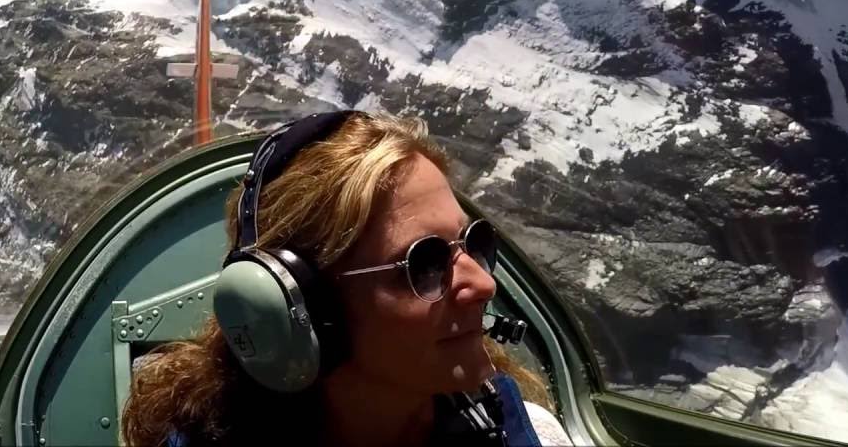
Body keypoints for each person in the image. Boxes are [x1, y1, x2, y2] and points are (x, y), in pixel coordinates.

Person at [122, 111, 572, 446]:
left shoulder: (528, 432)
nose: (484, 285)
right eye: (426, 264)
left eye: (474, 242)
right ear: (308, 309)